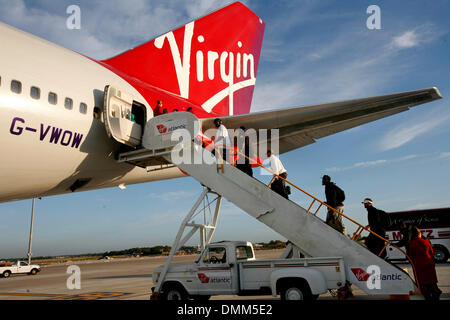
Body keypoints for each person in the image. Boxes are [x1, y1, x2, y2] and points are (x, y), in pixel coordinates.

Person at [409, 227, 442, 300]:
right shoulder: (426, 241)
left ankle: (427, 295)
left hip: (419, 265)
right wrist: (432, 263)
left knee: (423, 282)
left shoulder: (411, 243)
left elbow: (411, 256)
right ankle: (436, 293)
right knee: (432, 280)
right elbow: (432, 253)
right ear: (419, 234)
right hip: (429, 264)